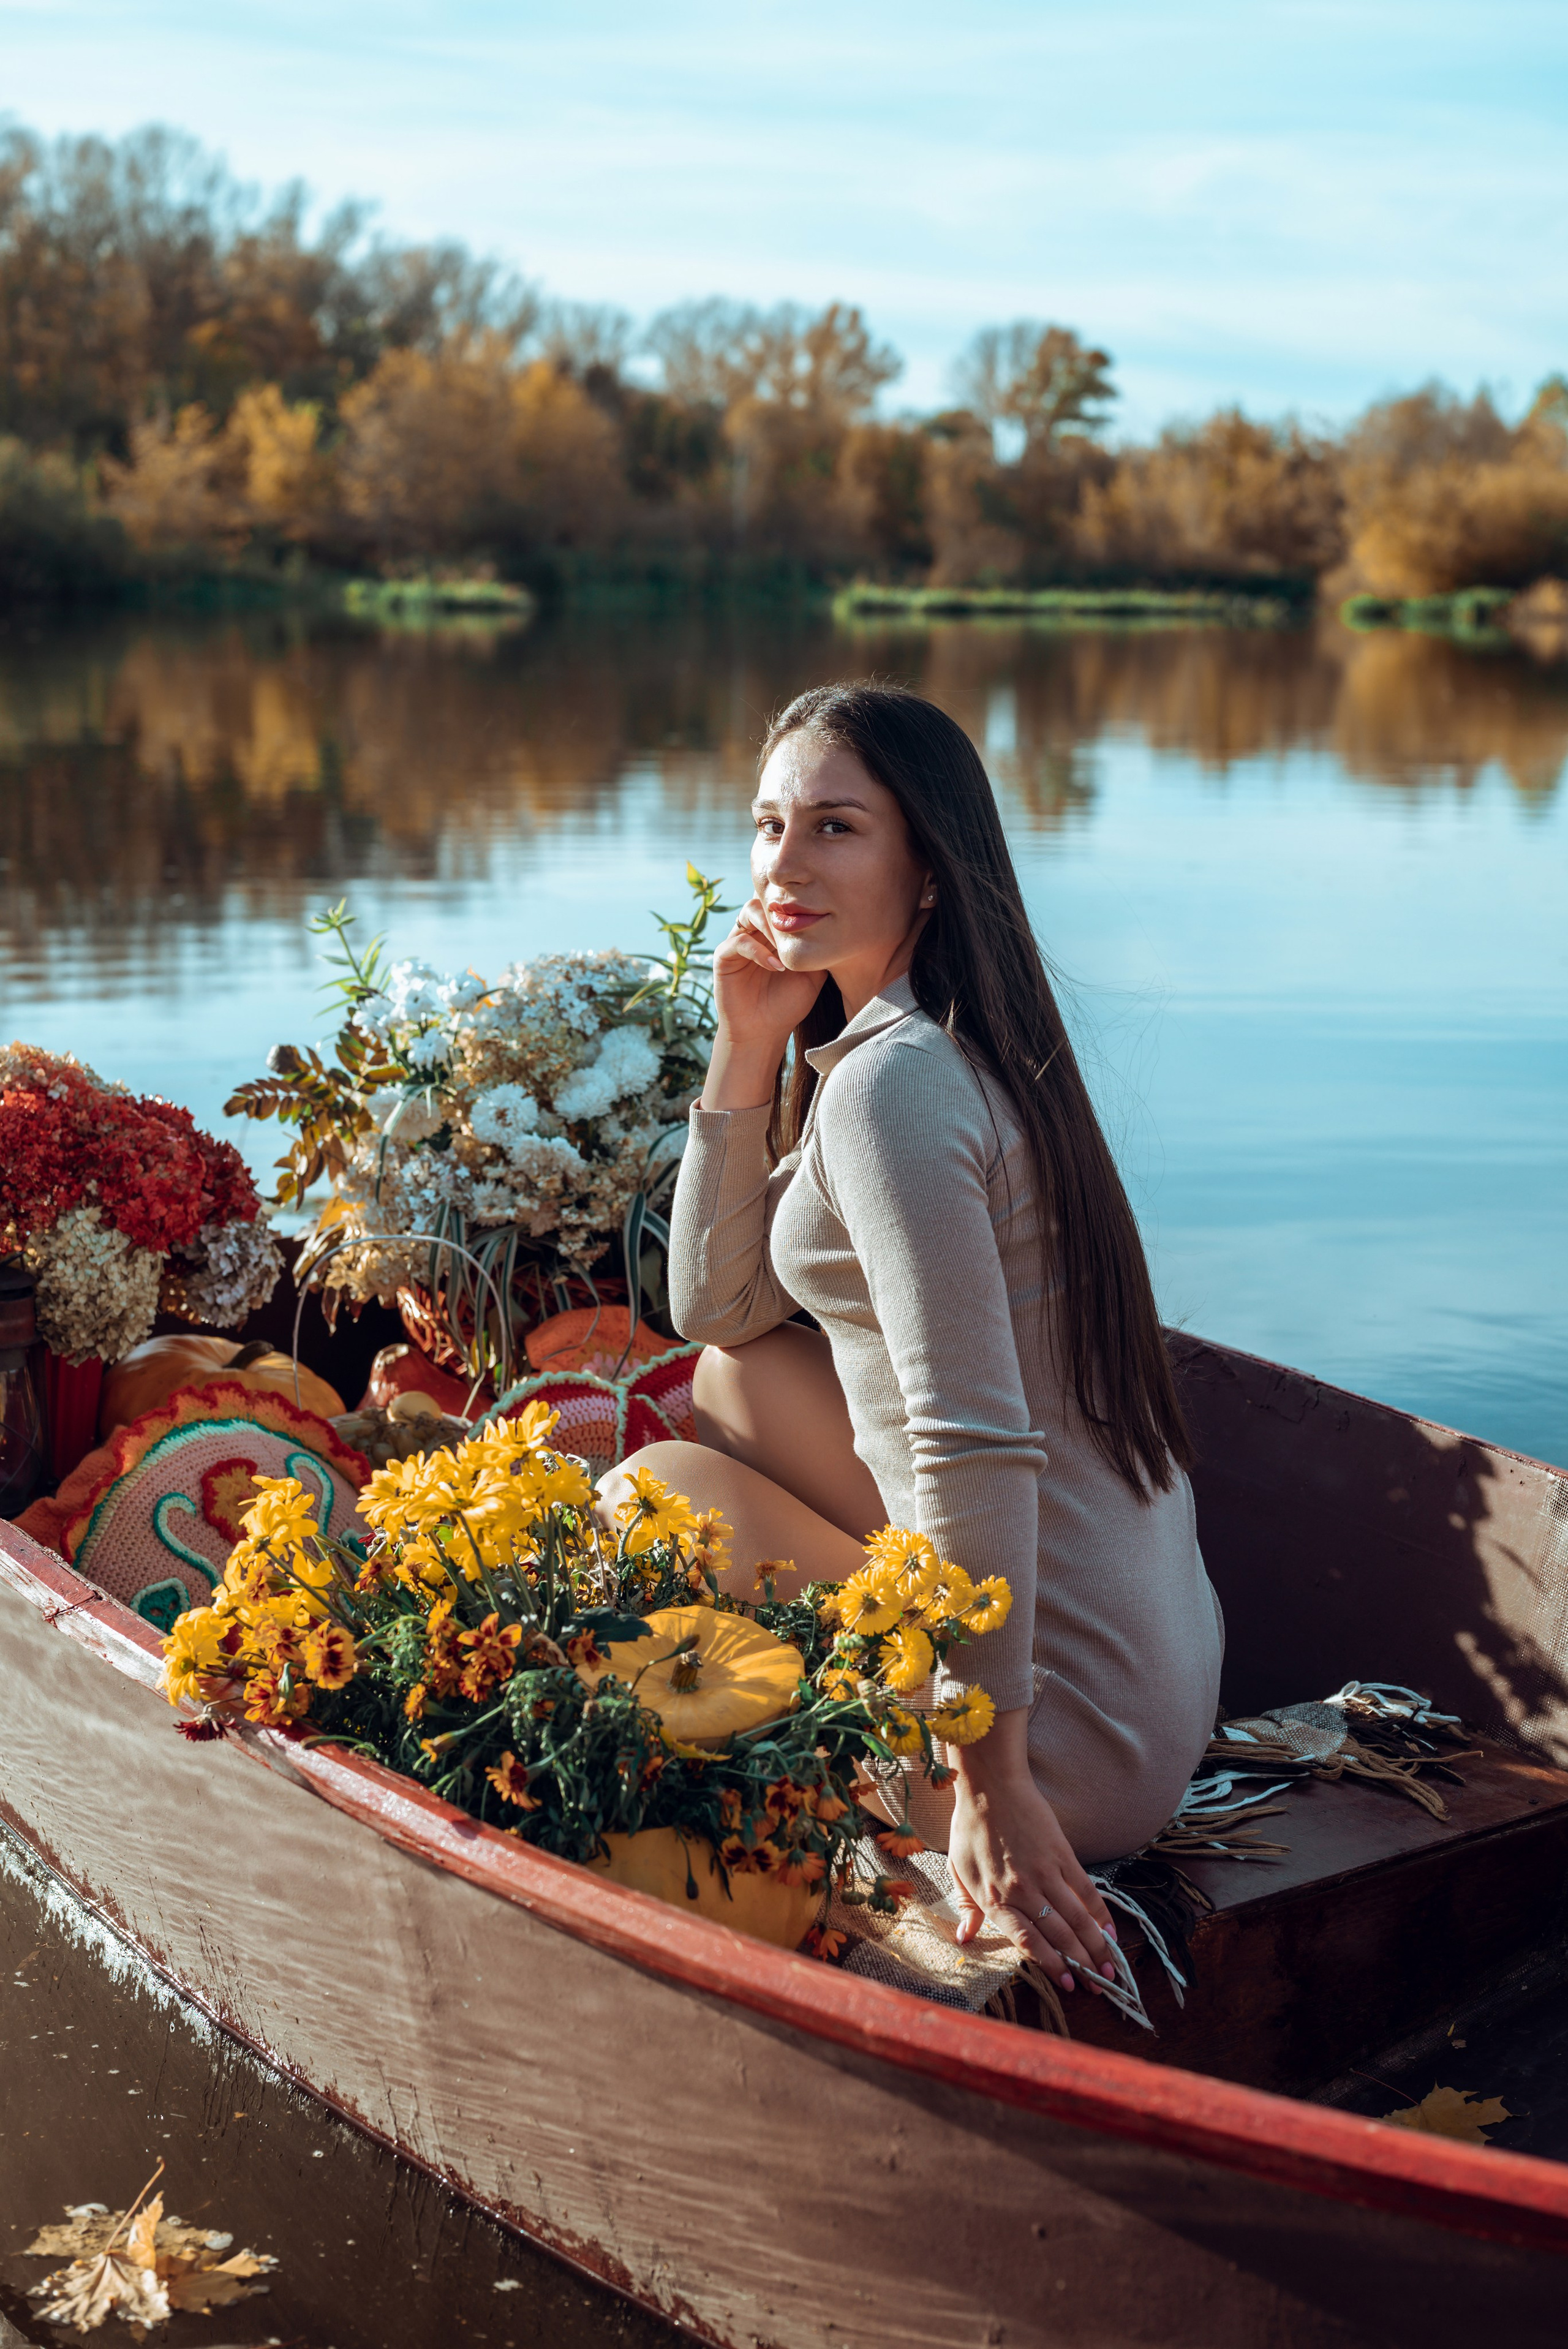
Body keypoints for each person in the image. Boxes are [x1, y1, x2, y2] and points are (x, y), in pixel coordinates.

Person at [597, 681, 1223, 1997]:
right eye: (767, 827)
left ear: (927, 866)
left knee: (638, 1499)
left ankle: (922, 1794)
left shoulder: (893, 1090)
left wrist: (985, 1774)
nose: (781, 865)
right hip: (1149, 1690)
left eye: (834, 829)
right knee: (733, 1378)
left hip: (1059, 1746)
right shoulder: (948, 1044)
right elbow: (714, 1313)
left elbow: (971, 1442)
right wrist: (745, 1043)